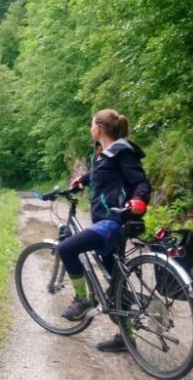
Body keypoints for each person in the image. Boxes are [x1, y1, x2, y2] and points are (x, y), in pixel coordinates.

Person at [57, 108, 150, 352]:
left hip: (112, 222)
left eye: (91, 125)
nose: (90, 129)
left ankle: (83, 299)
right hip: (105, 222)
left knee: (66, 248)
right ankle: (125, 338)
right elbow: (100, 175)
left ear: (98, 128)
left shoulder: (122, 152)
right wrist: (82, 181)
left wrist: (140, 198)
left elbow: (140, 181)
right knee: (116, 282)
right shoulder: (104, 154)